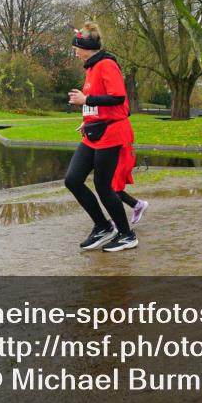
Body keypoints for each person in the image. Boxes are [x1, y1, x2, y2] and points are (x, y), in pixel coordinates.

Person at [64, 22, 148, 253]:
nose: (75, 52)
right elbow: (99, 101)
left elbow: (118, 98)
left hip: (112, 133)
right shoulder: (91, 68)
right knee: (72, 180)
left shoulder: (106, 64)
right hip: (95, 132)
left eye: (76, 49)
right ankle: (102, 226)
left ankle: (127, 235)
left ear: (86, 47)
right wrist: (89, 119)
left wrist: (86, 100)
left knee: (103, 186)